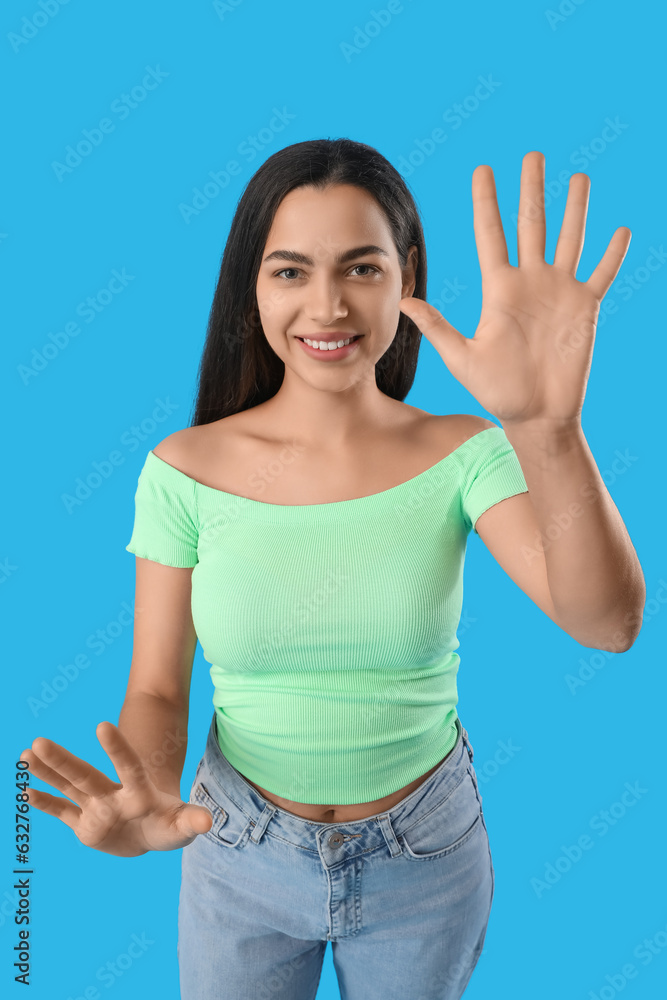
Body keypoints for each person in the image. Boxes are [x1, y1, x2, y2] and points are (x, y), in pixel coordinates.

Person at [20, 139, 645, 999]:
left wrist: (548, 427)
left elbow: (605, 623)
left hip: (424, 858)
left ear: (406, 273)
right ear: (253, 283)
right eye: (289, 272)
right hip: (237, 852)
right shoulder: (183, 470)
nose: (327, 306)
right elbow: (160, 688)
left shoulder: (462, 453)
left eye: (360, 267)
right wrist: (152, 795)